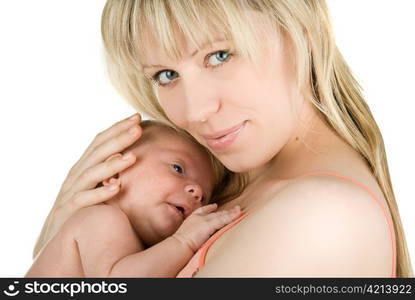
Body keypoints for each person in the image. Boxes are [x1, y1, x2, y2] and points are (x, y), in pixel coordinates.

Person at [33, 0, 413, 277]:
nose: (194, 110)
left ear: (302, 33)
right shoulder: (223, 188)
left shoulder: (324, 215)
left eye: (219, 55)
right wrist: (63, 239)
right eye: (166, 75)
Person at [26, 120, 242, 277]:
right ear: (114, 173)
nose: (196, 191)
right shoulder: (100, 218)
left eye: (204, 198)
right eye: (177, 168)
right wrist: (183, 241)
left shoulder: (141, 248)